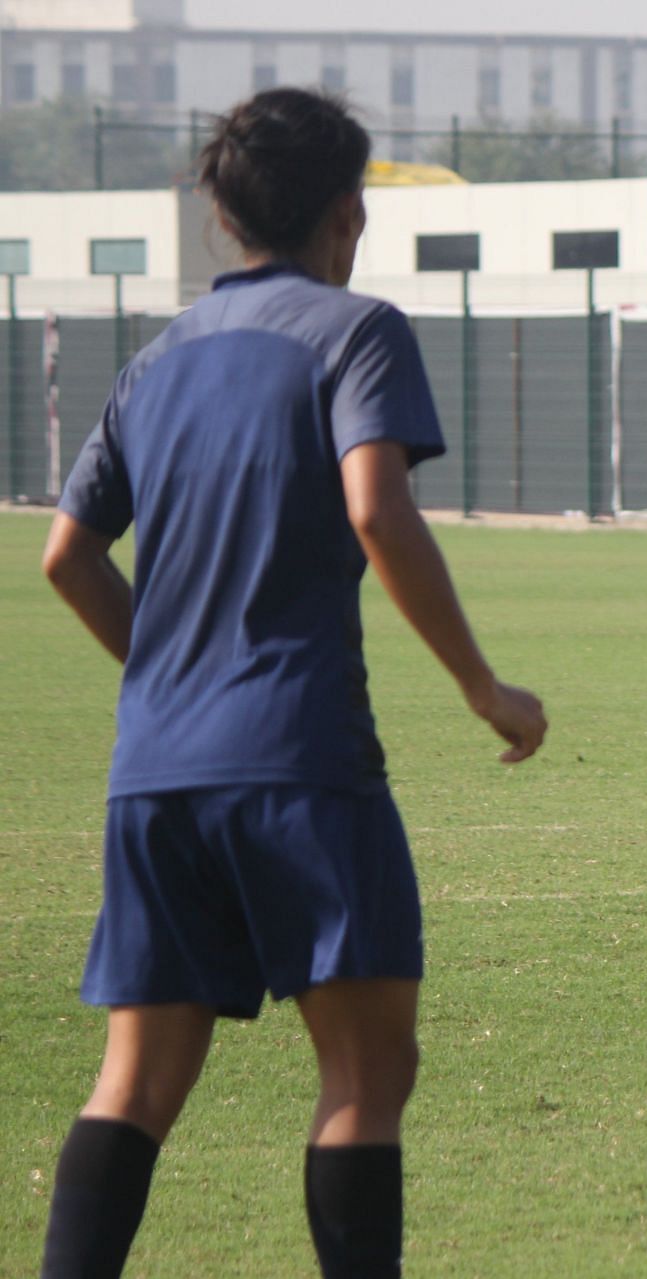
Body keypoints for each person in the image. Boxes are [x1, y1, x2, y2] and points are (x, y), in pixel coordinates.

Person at [37, 88, 546, 1278]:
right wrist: (482, 686)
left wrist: (169, 668)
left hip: (154, 768)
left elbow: (65, 555)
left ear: (225, 215)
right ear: (346, 211)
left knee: (139, 1082)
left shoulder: (155, 360)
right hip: (301, 757)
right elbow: (378, 506)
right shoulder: (355, 331)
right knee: (368, 1078)